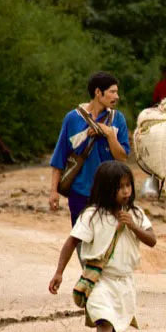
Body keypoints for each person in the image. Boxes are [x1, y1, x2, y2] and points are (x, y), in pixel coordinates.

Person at [48, 161, 157, 332]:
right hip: (100, 280)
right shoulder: (92, 216)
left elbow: (152, 240)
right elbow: (72, 242)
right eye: (120, 187)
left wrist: (132, 226)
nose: (126, 191)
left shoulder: (135, 214)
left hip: (124, 282)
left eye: (128, 185)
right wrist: (59, 272)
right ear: (106, 189)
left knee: (114, 324)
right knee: (104, 320)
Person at [49, 72, 130, 227]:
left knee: (107, 241)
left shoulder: (118, 119)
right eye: (112, 92)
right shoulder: (72, 119)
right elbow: (59, 157)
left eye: (117, 92)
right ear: (98, 92)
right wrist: (53, 191)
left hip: (109, 193)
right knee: (81, 241)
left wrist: (109, 134)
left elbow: (122, 157)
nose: (117, 96)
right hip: (80, 193)